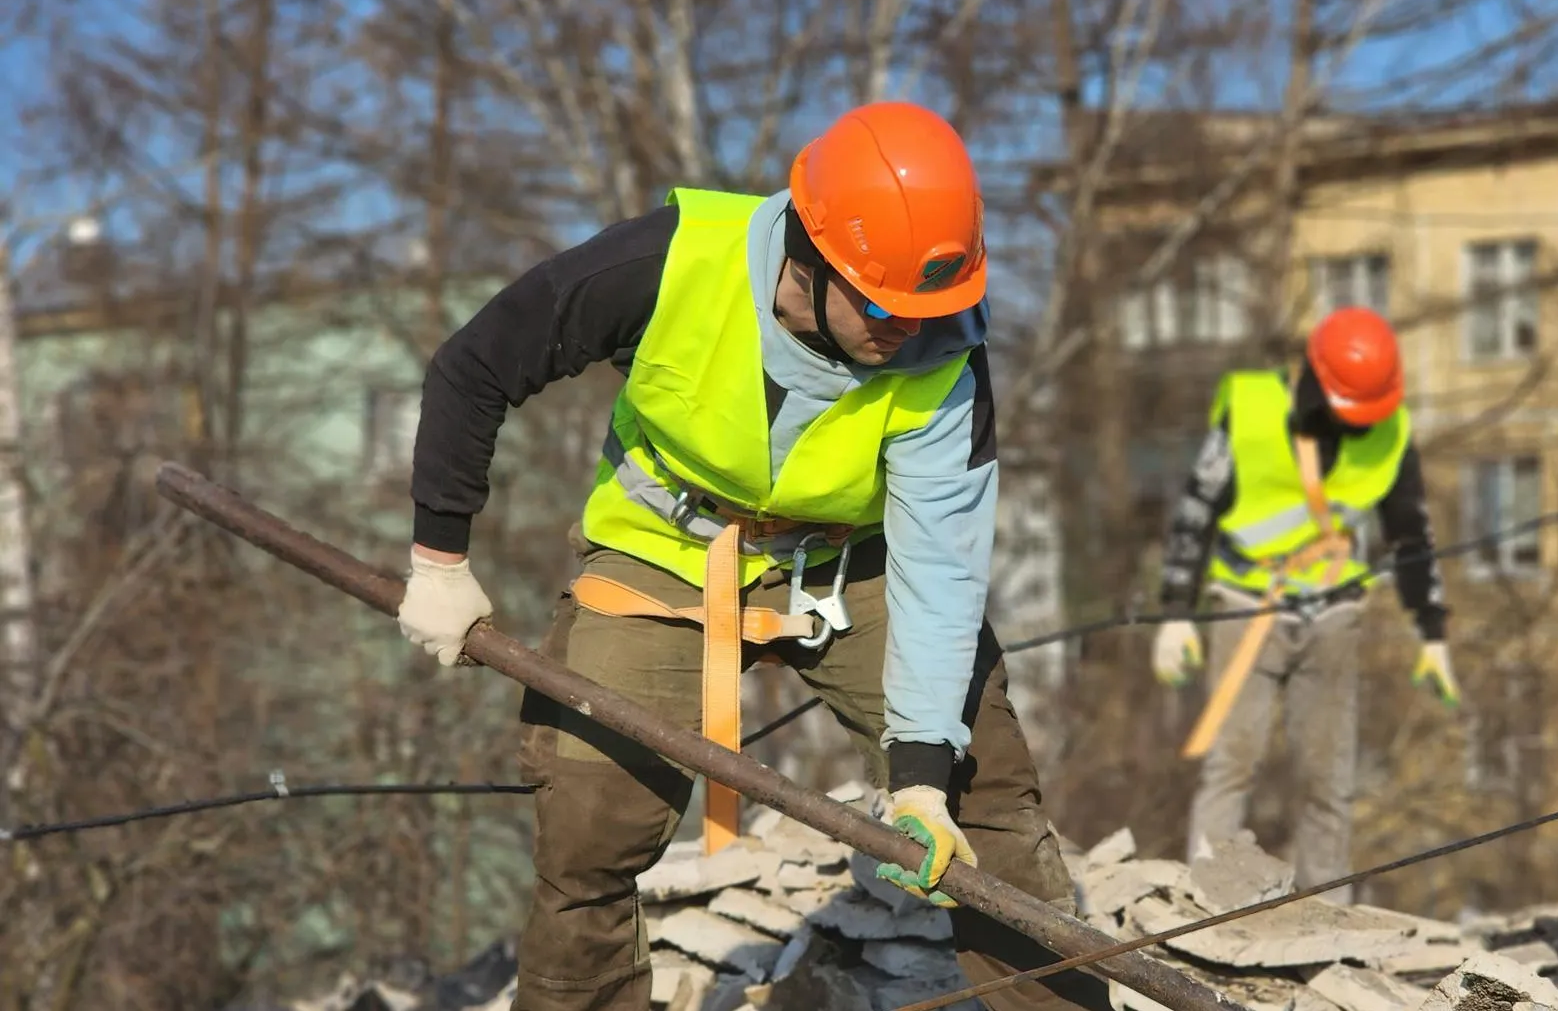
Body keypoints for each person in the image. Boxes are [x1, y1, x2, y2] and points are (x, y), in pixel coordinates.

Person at [393, 101, 1104, 1011]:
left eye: (931, 313)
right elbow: (475, 366)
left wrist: (922, 773)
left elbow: (942, 561)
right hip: (662, 548)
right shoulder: (667, 261)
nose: (909, 335)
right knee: (588, 825)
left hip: (857, 564)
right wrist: (440, 560)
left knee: (982, 795)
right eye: (886, 309)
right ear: (810, 256)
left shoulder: (942, 347)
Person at [1148, 306, 1457, 900]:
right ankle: (1209, 906)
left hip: (1334, 610)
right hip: (1247, 604)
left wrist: (1433, 631)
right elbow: (1195, 510)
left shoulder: (1389, 430)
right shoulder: (1251, 411)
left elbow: (1411, 535)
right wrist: (1175, 613)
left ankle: (1326, 909)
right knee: (1231, 766)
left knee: (1328, 778)